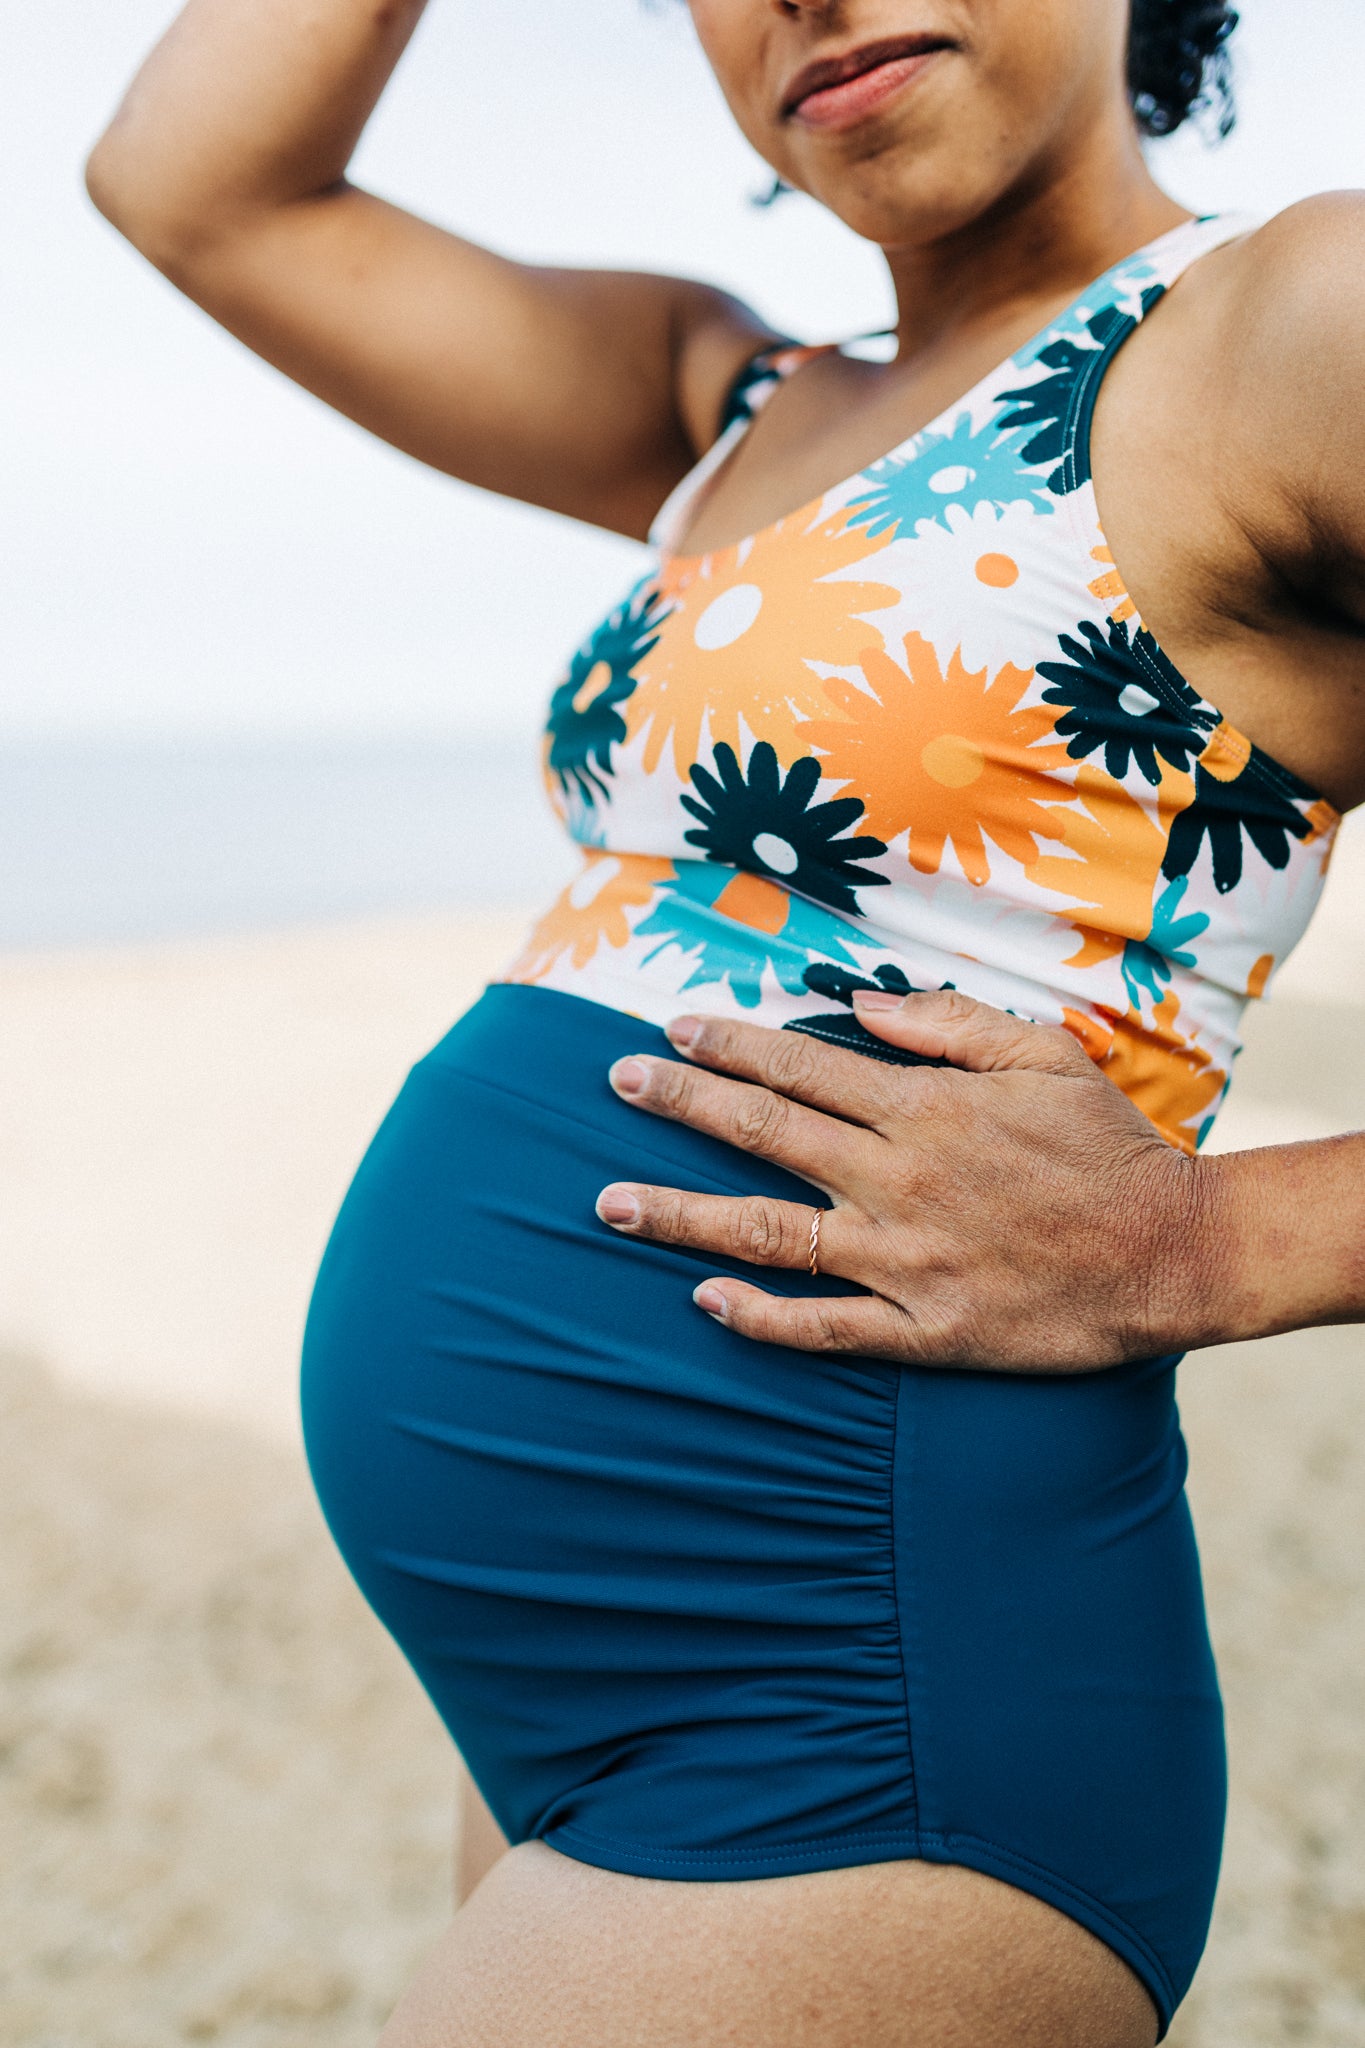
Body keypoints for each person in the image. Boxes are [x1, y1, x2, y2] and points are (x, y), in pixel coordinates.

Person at [87, 2, 1365, 2041]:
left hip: (863, 1708)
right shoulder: (732, 398)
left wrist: (1213, 1242)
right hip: (574, 1707)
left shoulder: (1294, 319)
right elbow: (192, 181)